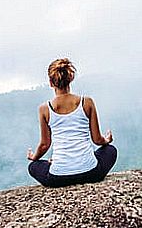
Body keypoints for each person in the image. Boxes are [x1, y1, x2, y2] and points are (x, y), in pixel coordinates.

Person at [27, 57, 117, 188]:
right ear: (70, 79)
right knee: (110, 150)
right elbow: (97, 140)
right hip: (91, 173)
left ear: (51, 83)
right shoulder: (87, 102)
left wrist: (34, 157)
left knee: (33, 166)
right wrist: (107, 140)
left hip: (58, 178)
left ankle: (57, 164)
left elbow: (44, 145)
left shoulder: (44, 109)